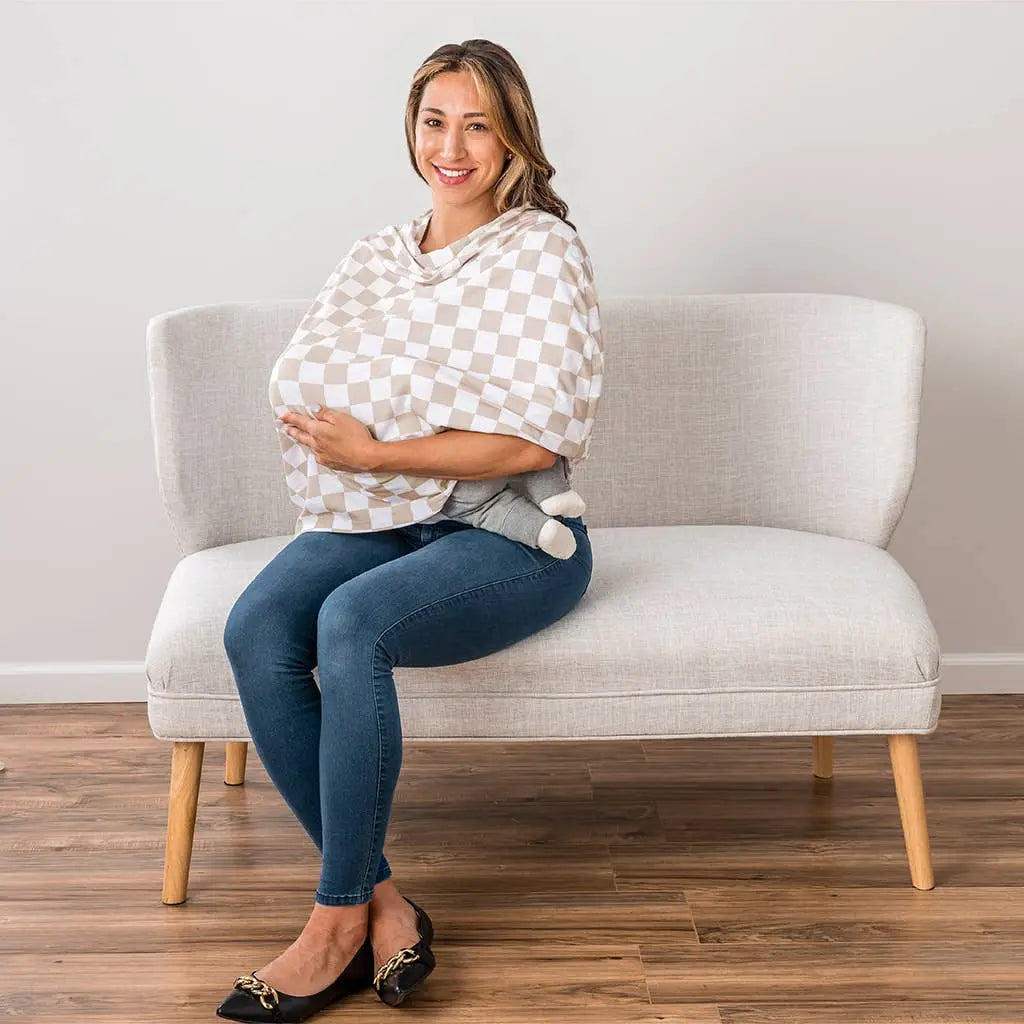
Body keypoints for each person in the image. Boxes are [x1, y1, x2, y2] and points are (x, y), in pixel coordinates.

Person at [218, 38, 599, 1022]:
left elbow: (531, 439)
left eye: (478, 125)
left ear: (513, 136)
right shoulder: (377, 257)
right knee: (256, 629)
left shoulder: (543, 250)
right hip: (382, 513)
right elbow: (316, 376)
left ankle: (332, 922)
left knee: (350, 624)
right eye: (435, 122)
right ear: (411, 129)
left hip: (516, 535)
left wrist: (377, 449)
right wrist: (359, 451)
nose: (452, 148)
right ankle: (384, 904)